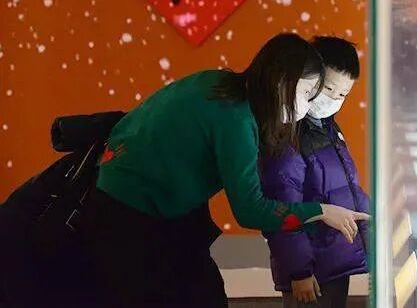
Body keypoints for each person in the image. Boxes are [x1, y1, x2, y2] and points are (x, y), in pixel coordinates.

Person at [80, 33, 369, 308]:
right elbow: (250, 211)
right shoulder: (238, 121)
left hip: (151, 201)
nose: (307, 106)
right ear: (281, 81)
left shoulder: (219, 83)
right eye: (306, 93)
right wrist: (321, 211)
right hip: (132, 212)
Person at [262, 36, 370, 308]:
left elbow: (346, 189)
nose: (333, 99)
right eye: (329, 88)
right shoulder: (288, 135)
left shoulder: (328, 128)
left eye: (342, 94)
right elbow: (282, 207)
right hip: (310, 270)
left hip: (336, 259)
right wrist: (299, 271)